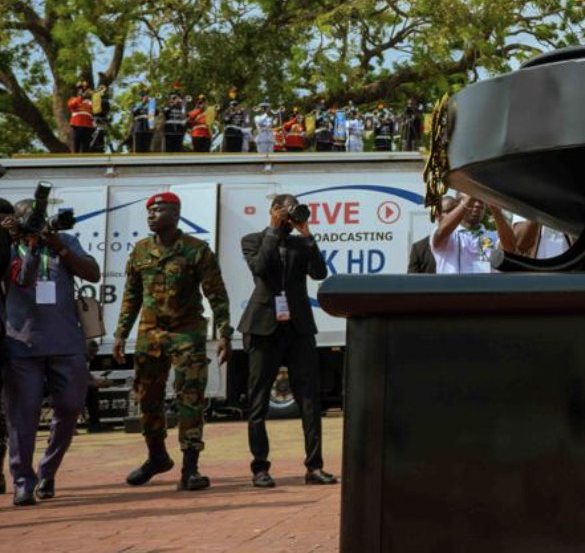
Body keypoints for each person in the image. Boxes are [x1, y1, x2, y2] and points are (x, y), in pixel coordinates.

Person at [112, 191, 232, 491]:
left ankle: (190, 468)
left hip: (186, 332)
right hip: (149, 334)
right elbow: (131, 296)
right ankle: (157, 457)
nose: (152, 215)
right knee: (147, 398)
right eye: (149, 211)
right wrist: (120, 334)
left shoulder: (196, 250)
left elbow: (216, 293)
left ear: (176, 214)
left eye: (159, 210)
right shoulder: (140, 251)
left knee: (190, 397)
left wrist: (225, 333)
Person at [2, 197, 99, 505]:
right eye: (30, 219)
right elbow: (22, 277)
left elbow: (92, 273)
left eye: (40, 219)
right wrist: (27, 244)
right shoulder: (7, 245)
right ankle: (22, 480)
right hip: (22, 344)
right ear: (16, 221)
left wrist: (57, 245)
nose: (36, 224)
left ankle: (48, 470)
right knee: (23, 416)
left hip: (66, 342)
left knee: (70, 408)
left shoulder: (64, 241)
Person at [239, 194, 336, 487]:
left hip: (299, 327)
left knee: (309, 399)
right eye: (286, 210)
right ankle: (260, 467)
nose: (290, 216)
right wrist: (272, 228)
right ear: (273, 212)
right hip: (263, 326)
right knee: (258, 401)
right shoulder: (253, 239)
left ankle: (314, 466)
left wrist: (307, 234)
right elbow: (261, 269)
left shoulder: (300, 242)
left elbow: (320, 272)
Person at [430, 196, 518, 274]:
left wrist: (496, 211)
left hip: (485, 291)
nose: (477, 205)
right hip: (454, 291)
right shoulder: (451, 235)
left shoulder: (493, 236)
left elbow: (510, 248)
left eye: (481, 201)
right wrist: (466, 203)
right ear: (458, 205)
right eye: (472, 200)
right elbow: (440, 233)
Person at [67, 84, 96, 153]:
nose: (84, 92)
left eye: (85, 90)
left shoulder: (90, 102)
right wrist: (81, 97)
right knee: (76, 144)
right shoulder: (73, 99)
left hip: (89, 126)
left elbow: (96, 111)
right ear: (78, 91)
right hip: (77, 125)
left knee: (86, 146)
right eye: (81, 90)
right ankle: (75, 160)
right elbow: (71, 105)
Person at [128, 89, 155, 153]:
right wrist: (142, 103)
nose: (145, 97)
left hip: (148, 130)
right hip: (138, 130)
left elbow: (156, 113)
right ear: (140, 97)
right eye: (143, 96)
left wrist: (152, 103)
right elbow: (134, 112)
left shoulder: (150, 106)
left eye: (145, 96)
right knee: (138, 150)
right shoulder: (134, 105)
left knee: (147, 150)